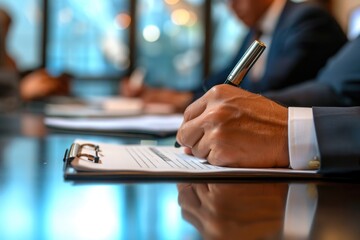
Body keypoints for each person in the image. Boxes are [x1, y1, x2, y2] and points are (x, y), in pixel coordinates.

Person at [175, 36, 360, 174]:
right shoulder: (252, 33)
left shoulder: (310, 19)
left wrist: (290, 133)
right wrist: (235, 111)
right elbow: (332, 89)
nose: (231, 3)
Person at [121, 0, 347, 112]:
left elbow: (271, 88)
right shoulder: (255, 30)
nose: (231, 7)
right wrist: (173, 95)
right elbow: (223, 78)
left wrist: (184, 101)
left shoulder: (307, 19)